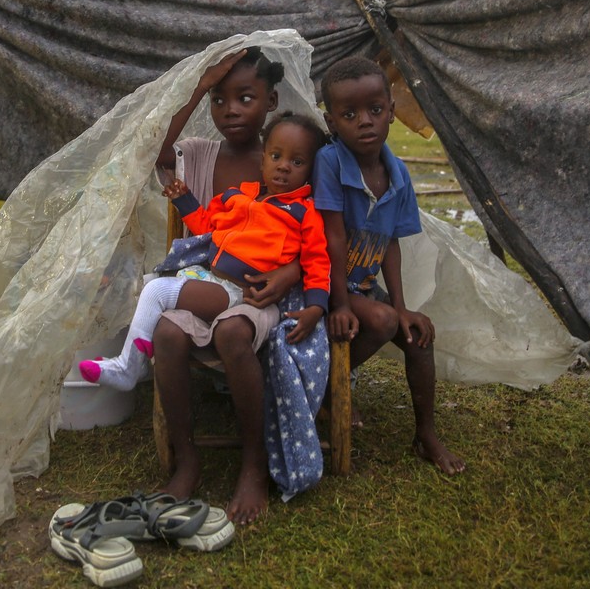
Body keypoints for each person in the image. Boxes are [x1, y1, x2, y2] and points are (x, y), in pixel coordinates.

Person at [150, 45, 307, 526]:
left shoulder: (285, 158)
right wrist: (198, 86)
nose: (231, 110)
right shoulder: (199, 155)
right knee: (168, 332)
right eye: (219, 100)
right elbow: (155, 149)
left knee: (233, 332)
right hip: (206, 282)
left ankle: (253, 464)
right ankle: (188, 457)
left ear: (271, 99)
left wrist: (290, 274)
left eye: (245, 97)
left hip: (260, 292)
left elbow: (313, 230)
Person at [79, 112, 329, 392]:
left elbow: (318, 261)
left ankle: (128, 367)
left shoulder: (303, 213)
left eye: (296, 162)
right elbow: (207, 228)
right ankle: (134, 360)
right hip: (209, 277)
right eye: (276, 157)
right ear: (262, 161)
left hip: (239, 292)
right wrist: (184, 200)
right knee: (145, 285)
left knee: (157, 292)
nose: (283, 167)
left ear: (310, 170)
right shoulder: (237, 197)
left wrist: (317, 307)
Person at [313, 55, 466, 475]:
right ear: (331, 123)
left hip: (361, 287)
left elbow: (390, 245)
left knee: (416, 334)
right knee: (379, 321)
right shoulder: (330, 162)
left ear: (392, 112)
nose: (365, 121)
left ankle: (426, 434)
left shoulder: (397, 174)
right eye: (350, 114)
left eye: (375, 110)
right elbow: (333, 238)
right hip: (320, 284)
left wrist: (402, 306)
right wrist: (341, 304)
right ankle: (327, 388)